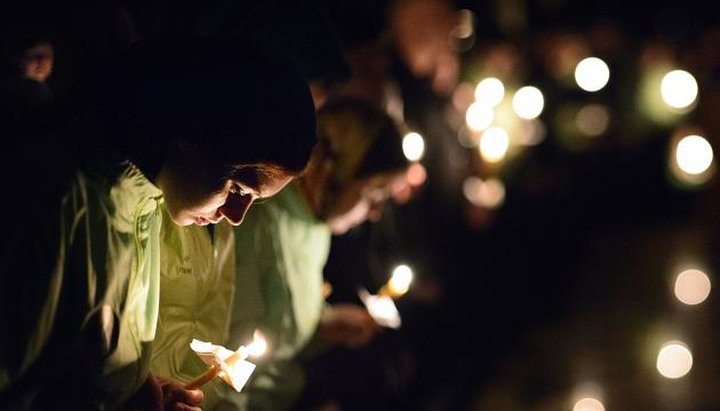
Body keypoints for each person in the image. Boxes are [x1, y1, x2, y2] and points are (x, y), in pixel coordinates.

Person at [0, 36, 317, 410]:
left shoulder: (147, 208)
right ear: (193, 134)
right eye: (237, 188)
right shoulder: (60, 200)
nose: (234, 216)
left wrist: (136, 390)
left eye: (254, 202)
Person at [204, 97, 410, 411]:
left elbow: (279, 326)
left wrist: (324, 326)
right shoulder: (257, 223)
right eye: (374, 192)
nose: (376, 212)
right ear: (336, 170)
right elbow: (227, 365)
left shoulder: (316, 228)